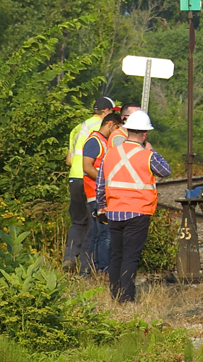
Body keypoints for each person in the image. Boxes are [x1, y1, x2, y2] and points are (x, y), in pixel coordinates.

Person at [97, 110, 171, 302]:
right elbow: (166, 170)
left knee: (116, 256)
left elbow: (100, 183)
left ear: (127, 129)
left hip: (114, 212)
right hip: (138, 213)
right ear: (145, 134)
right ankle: (127, 298)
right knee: (130, 257)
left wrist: (102, 206)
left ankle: (115, 295)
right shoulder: (147, 155)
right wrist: (151, 149)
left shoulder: (110, 154)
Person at [63, 97, 113, 272]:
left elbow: (69, 160)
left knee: (78, 222)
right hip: (90, 179)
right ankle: (87, 266)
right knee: (93, 225)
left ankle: (69, 258)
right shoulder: (102, 130)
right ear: (106, 112)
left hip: (74, 179)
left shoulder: (78, 128)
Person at [80, 110, 123, 275]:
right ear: (110, 124)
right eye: (117, 128)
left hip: (99, 193)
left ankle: (93, 268)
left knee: (99, 233)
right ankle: (103, 269)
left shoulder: (103, 141)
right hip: (94, 193)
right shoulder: (95, 141)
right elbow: (87, 166)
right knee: (104, 234)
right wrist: (104, 181)